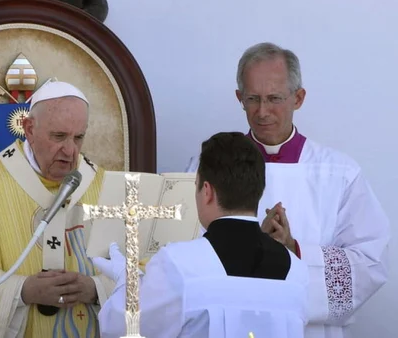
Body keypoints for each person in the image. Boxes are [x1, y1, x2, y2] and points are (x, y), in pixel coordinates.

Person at [188, 42, 390, 338]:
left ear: (298, 98)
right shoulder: (207, 167)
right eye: (252, 98)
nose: (262, 111)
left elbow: (371, 262)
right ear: (239, 98)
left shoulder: (339, 173)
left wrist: (293, 251)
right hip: (229, 327)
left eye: (274, 98)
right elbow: (181, 249)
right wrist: (245, 244)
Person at [95, 131, 309, 338]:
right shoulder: (296, 270)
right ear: (258, 190)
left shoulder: (180, 263)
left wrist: (126, 279)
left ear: (207, 191)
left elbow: (121, 328)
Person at [0, 81, 114, 338]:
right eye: (58, 136)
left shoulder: (102, 184)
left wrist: (95, 289)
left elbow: (141, 273)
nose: (70, 151)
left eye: (78, 137)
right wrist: (22, 291)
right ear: (29, 129)